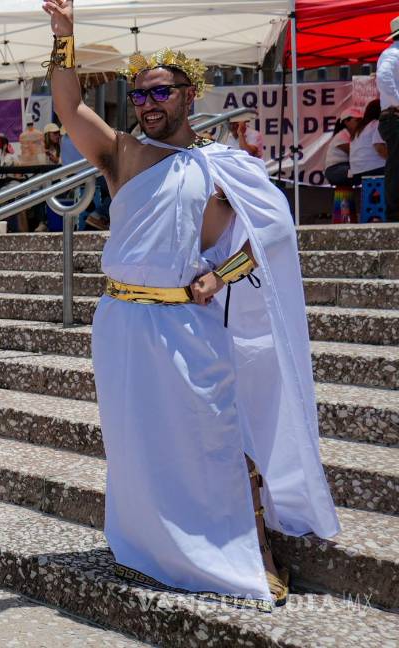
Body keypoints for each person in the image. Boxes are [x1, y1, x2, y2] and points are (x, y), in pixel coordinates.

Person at [44, 0, 339, 610]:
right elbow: (69, 107)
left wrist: (219, 276)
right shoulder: (124, 154)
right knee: (138, 439)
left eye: (161, 92)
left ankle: (253, 549)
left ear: (189, 94)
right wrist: (64, 34)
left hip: (188, 322)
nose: (148, 104)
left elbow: (271, 238)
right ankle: (158, 542)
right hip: (122, 322)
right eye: (140, 95)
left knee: (216, 431)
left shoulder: (225, 166)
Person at [376, 16, 399, 220]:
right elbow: (383, 77)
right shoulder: (393, 53)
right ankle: (395, 213)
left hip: (393, 116)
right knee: (396, 164)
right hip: (395, 116)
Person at [349, 100, 387, 184]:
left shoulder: (359, 128)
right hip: (374, 169)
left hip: (357, 172)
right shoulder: (377, 124)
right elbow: (379, 147)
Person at [323, 109, 361, 186]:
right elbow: (355, 153)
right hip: (335, 170)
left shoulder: (353, 135)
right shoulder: (341, 136)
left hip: (344, 168)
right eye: (357, 120)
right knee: (362, 173)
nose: (360, 123)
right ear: (346, 122)